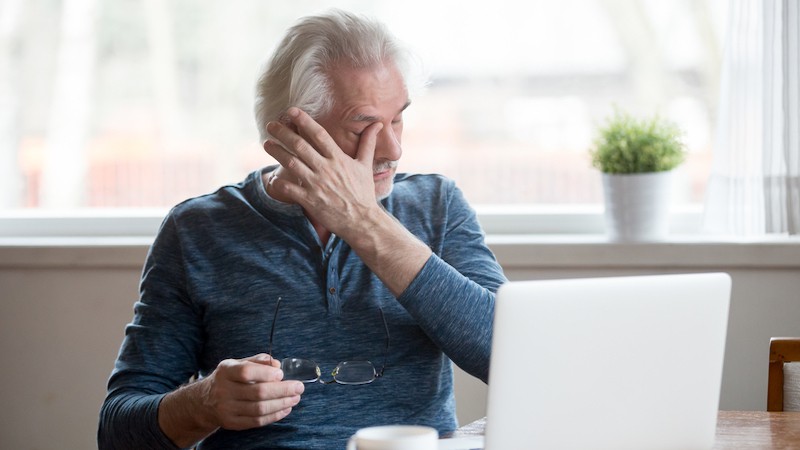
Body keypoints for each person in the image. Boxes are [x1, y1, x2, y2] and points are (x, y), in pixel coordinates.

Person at [98, 9, 506, 450]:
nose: (393, 148)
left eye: (398, 118)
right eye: (364, 127)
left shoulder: (438, 206)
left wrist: (364, 222)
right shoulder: (197, 230)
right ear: (295, 133)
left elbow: (513, 358)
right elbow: (118, 432)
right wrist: (204, 403)